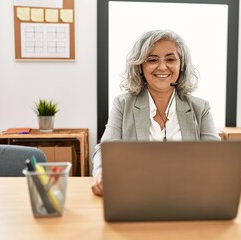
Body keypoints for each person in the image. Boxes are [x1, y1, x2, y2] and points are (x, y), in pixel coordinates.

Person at [92, 29, 220, 196]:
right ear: (140, 66)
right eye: (152, 59)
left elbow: (216, 157)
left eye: (170, 59)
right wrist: (101, 173)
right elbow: (105, 150)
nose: (162, 66)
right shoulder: (123, 104)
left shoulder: (200, 107)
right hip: (136, 194)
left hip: (188, 194)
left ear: (181, 65)